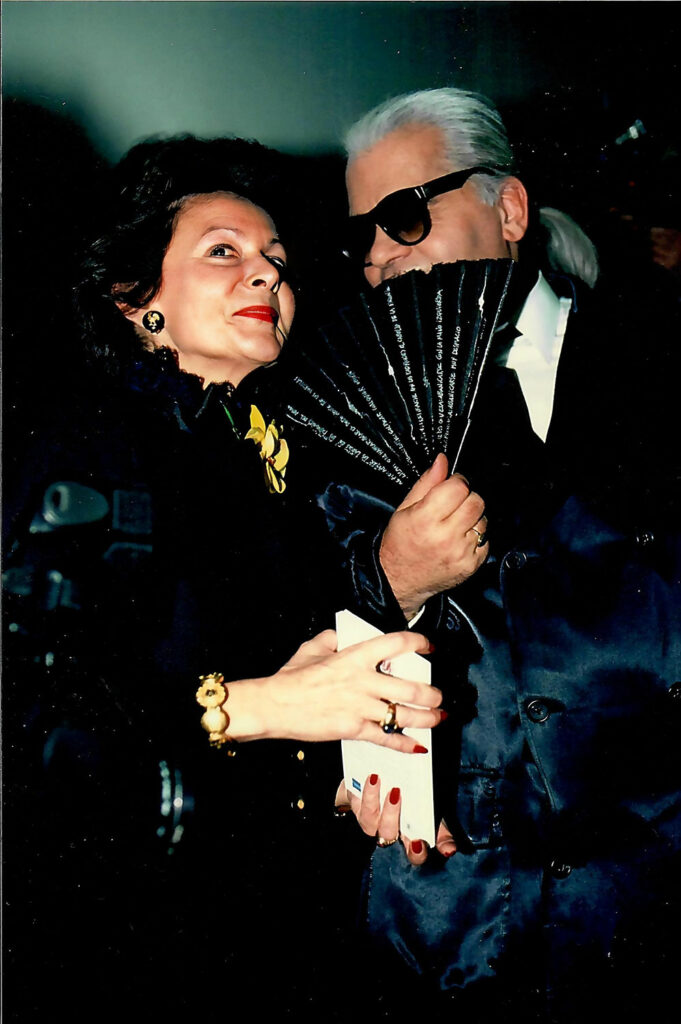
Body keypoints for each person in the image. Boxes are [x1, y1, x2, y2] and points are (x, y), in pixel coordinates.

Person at [1, 134, 444, 1022]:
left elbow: (272, 699)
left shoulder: (273, 470)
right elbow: (34, 718)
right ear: (135, 299)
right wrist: (269, 709)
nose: (266, 277)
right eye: (223, 254)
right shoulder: (86, 440)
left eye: (276, 262)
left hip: (265, 934)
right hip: (122, 946)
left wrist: (357, 775)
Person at [310, 89, 681, 1022]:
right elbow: (290, 625)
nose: (379, 257)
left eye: (403, 215)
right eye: (362, 236)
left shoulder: (662, 355)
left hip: (653, 911)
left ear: (508, 209)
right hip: (454, 926)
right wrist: (389, 578)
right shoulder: (358, 416)